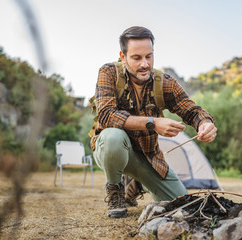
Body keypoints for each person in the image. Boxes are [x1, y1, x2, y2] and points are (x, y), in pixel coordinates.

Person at [91, 26, 217, 218]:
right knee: (113, 137)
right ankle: (116, 189)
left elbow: (191, 110)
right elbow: (107, 115)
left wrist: (205, 123)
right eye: (137, 58)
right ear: (123, 56)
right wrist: (153, 123)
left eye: (149, 56)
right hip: (110, 149)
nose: (145, 64)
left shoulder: (164, 82)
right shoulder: (108, 73)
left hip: (148, 156)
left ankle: (136, 182)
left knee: (185, 206)